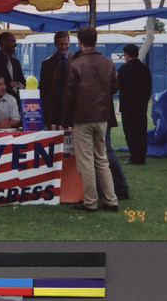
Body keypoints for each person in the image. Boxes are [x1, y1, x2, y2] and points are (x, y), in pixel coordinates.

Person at [62, 26, 119, 212]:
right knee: (101, 159)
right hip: (102, 116)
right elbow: (114, 87)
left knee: (86, 161)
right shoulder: (107, 62)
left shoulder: (75, 64)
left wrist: (65, 119)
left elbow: (69, 95)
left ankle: (90, 201)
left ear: (80, 42)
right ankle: (111, 200)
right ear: (95, 41)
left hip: (82, 117)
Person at [117, 44, 152, 165]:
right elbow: (149, 87)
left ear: (127, 55)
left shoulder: (123, 69)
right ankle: (141, 156)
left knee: (130, 132)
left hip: (128, 107)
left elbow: (118, 86)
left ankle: (134, 156)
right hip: (141, 106)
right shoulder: (145, 68)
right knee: (141, 132)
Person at [39, 31, 73, 127]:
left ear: (69, 43)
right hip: (53, 112)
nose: (63, 47)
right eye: (60, 44)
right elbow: (42, 89)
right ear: (55, 44)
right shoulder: (47, 64)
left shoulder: (76, 61)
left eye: (66, 44)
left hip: (71, 110)